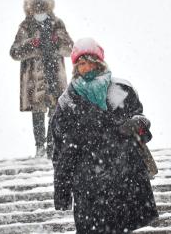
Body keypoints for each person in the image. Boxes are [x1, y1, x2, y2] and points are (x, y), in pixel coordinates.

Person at [51, 38, 158, 234]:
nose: (85, 67)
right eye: (80, 63)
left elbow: (141, 122)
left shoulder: (122, 90)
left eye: (89, 61)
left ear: (99, 62)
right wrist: (62, 188)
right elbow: (60, 149)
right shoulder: (67, 101)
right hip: (88, 182)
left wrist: (138, 124)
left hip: (124, 175)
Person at [10, 0, 73, 158]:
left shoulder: (57, 24)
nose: (40, 12)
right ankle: (40, 147)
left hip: (54, 75)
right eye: (37, 9)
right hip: (34, 79)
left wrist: (57, 41)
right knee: (37, 113)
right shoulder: (26, 26)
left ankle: (52, 147)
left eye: (42, 9)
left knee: (55, 112)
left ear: (48, 9)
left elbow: (70, 48)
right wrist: (31, 44)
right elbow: (14, 52)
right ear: (31, 10)